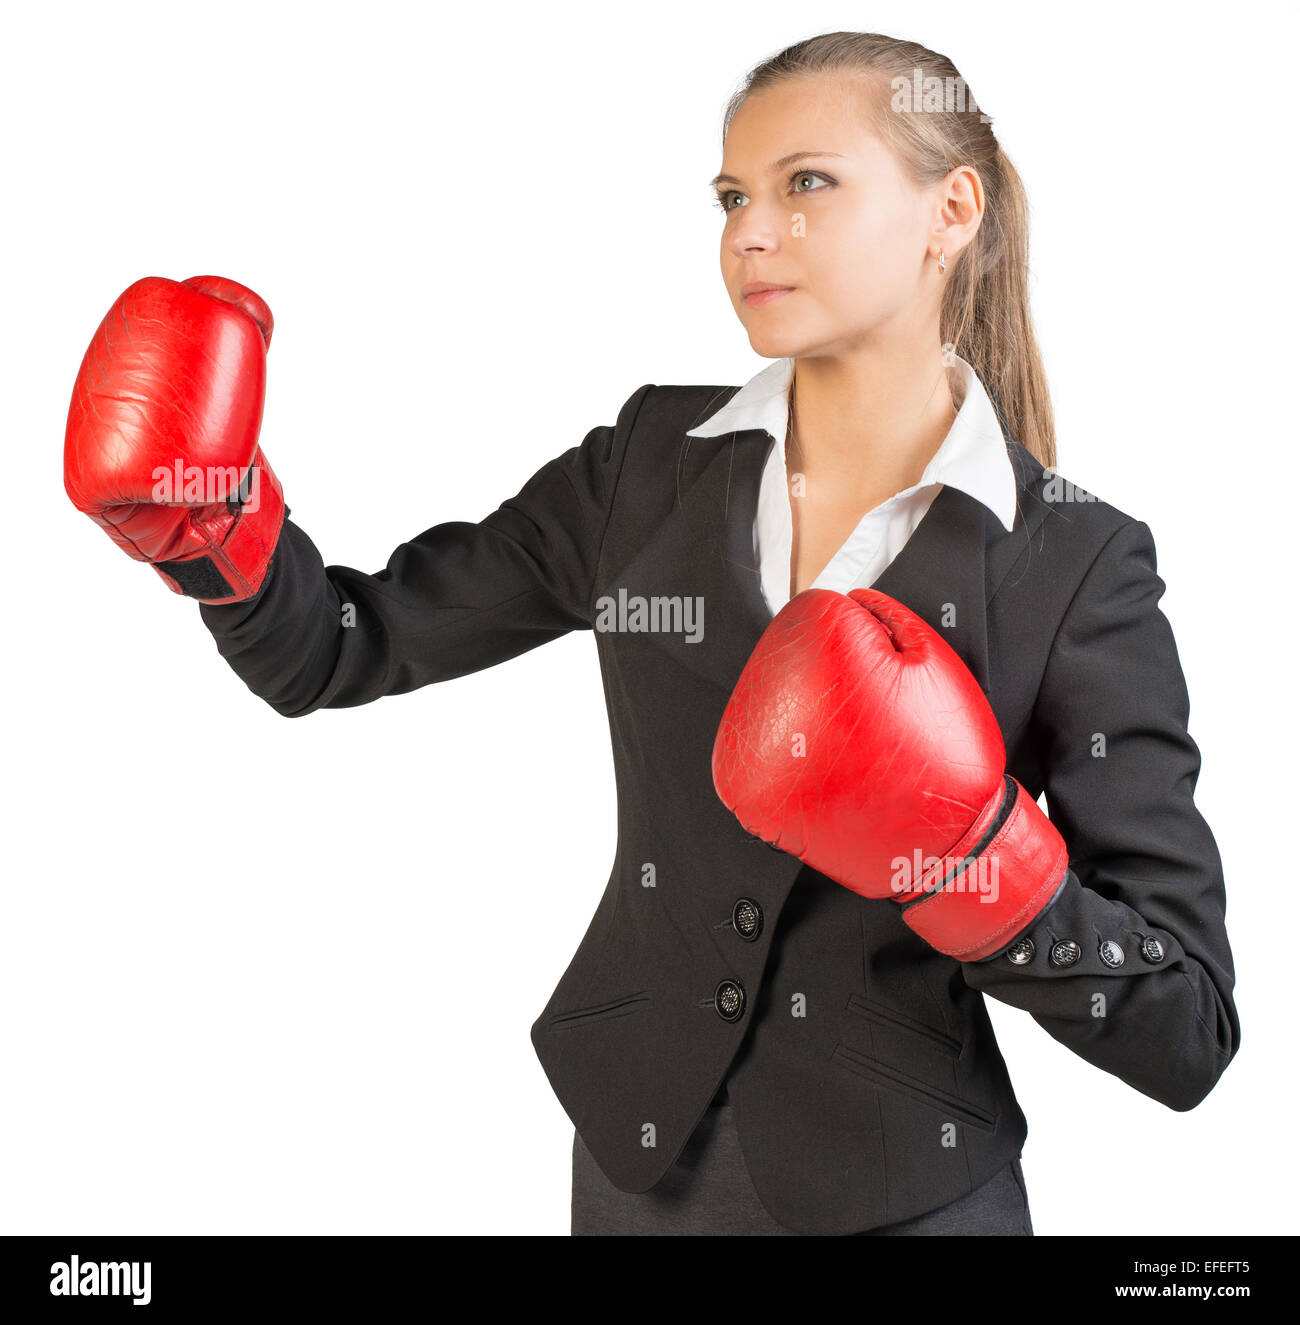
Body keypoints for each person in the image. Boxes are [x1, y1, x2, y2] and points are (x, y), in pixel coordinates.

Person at [62, 30, 1239, 1236]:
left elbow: (1186, 1030)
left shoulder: (1073, 559)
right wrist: (217, 530)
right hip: (639, 1174)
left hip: (909, 1193)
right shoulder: (645, 466)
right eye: (733, 196)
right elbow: (339, 646)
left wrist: (971, 861)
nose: (749, 232)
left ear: (950, 210)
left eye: (806, 184)